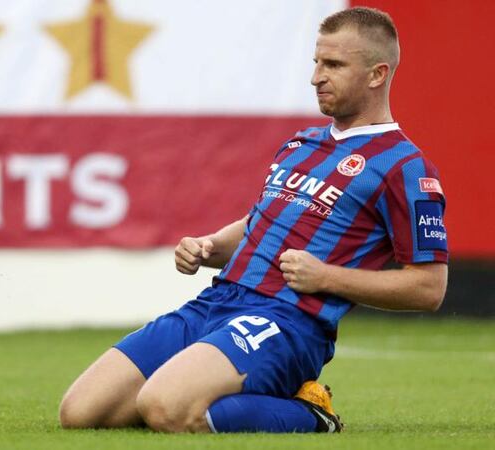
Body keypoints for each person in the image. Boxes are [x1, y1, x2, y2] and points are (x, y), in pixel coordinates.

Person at [58, 6, 448, 434]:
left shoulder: (404, 166)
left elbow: (428, 287)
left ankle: (311, 414)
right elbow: (259, 223)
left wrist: (326, 277)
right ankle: (212, 394)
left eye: (333, 65)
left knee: (165, 407)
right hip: (217, 302)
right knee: (80, 412)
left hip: (287, 322)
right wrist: (209, 246)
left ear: (377, 74)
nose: (316, 77)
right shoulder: (301, 144)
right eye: (316, 62)